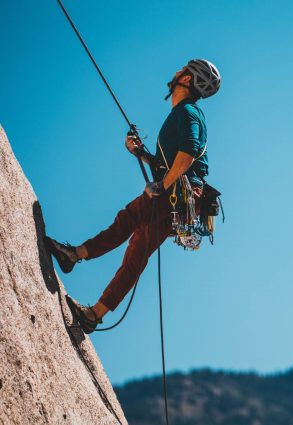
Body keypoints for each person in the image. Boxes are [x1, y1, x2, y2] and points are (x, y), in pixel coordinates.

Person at [45, 59, 221, 334]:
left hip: (175, 192)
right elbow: (175, 160)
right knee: (137, 252)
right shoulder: (183, 113)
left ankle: (73, 255)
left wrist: (162, 185)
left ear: (187, 79)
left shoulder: (187, 112)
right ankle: (94, 314)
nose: (176, 71)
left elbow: (187, 155)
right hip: (184, 199)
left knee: (127, 220)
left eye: (181, 70)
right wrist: (141, 153)